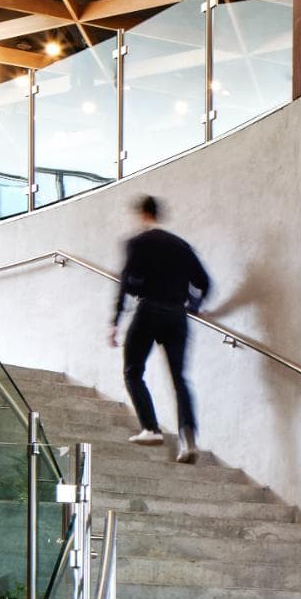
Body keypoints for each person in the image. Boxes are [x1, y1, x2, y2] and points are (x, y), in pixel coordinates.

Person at [109, 195, 210, 464]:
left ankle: (150, 428)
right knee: (180, 379)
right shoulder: (181, 246)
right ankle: (188, 438)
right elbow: (204, 282)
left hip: (149, 310)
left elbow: (126, 284)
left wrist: (115, 321)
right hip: (177, 314)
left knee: (133, 371)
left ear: (143, 214)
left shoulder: (137, 243)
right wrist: (195, 305)